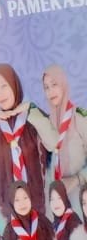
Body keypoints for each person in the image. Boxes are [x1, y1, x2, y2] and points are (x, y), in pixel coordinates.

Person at [0, 64, 49, 219]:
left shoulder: (32, 117)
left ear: (14, 84)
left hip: (42, 209)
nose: (0, 94)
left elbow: (53, 143)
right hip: (9, 215)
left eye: (4, 86)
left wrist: (31, 110)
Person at [28, 64, 87, 209]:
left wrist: (76, 179)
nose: (50, 91)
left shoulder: (80, 118)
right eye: (46, 87)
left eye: (54, 84)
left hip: (82, 196)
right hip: (57, 201)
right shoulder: (47, 123)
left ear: (63, 85)